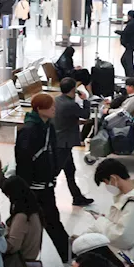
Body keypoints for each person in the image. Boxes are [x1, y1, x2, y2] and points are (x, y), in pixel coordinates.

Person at [15, 94, 70, 261]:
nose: (54, 109)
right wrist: (24, 187)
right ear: (39, 109)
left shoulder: (48, 127)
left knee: (52, 223)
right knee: (29, 226)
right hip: (32, 189)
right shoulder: (28, 130)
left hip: (46, 185)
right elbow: (23, 161)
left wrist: (52, 174)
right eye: (50, 106)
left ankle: (68, 258)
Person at [89, 158, 134, 259]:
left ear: (113, 179)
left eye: (106, 183)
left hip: (132, 258)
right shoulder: (131, 195)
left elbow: (123, 238)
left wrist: (101, 223)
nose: (107, 186)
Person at [54, 78, 95, 206]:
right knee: (56, 171)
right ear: (73, 89)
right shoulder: (71, 105)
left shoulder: (57, 100)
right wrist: (85, 100)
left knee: (70, 170)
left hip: (59, 140)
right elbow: (86, 115)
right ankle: (43, 195)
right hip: (65, 142)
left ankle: (77, 197)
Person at [115, 9, 134, 78]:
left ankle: (131, 77)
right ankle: (129, 76)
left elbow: (126, 33)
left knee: (128, 61)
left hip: (130, 45)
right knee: (124, 60)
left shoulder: (131, 24)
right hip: (132, 45)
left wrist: (118, 32)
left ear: (129, 16)